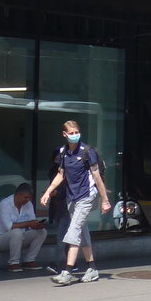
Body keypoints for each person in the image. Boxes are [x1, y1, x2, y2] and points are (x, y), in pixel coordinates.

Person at [41, 120, 111, 286]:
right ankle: (92, 268)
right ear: (64, 135)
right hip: (72, 198)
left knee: (73, 232)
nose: (74, 136)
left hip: (86, 197)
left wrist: (105, 200)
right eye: (71, 133)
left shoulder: (87, 151)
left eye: (76, 132)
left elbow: (97, 177)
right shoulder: (64, 152)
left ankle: (67, 271)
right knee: (83, 233)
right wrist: (47, 192)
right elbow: (61, 175)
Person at [0, 183, 47, 272]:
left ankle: (29, 260)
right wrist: (29, 223)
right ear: (17, 195)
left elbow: (32, 222)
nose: (27, 200)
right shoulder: (5, 204)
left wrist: (37, 225)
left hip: (20, 238)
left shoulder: (29, 204)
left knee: (42, 232)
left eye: (29, 198)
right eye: (25, 197)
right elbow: (9, 226)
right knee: (16, 232)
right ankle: (13, 262)